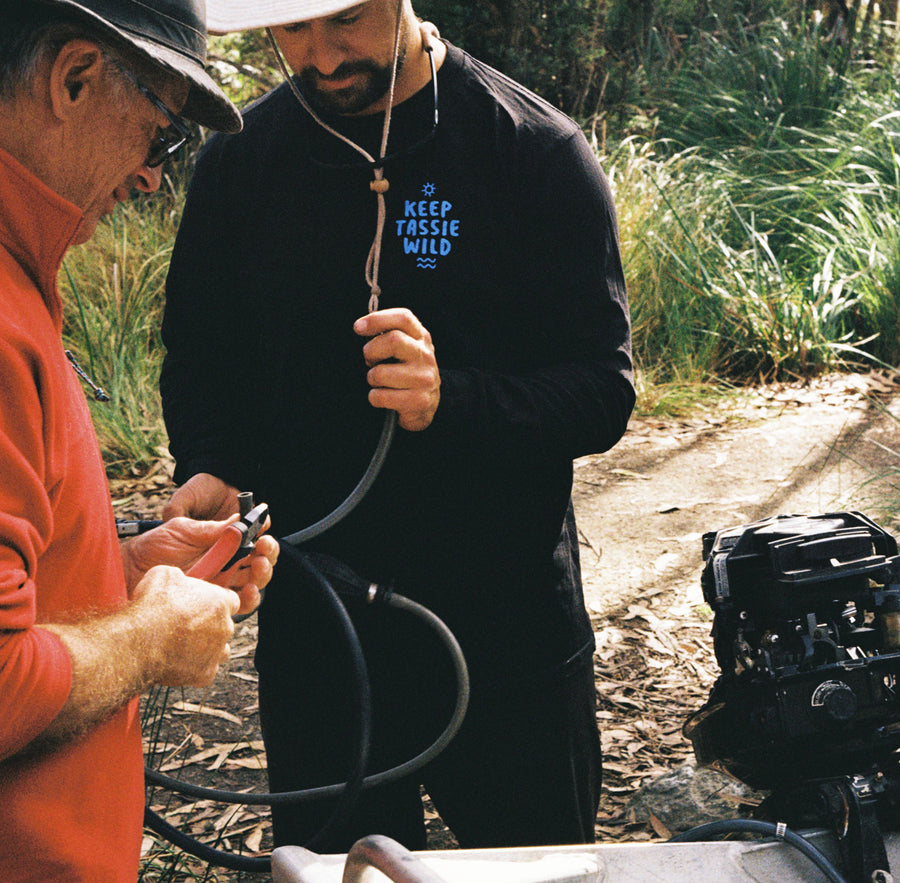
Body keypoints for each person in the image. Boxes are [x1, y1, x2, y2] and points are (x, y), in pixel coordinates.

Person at [161, 0, 634, 853]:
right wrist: (210, 463)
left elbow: (603, 390)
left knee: (538, 868)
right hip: (321, 633)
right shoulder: (241, 160)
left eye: (342, 20)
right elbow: (200, 358)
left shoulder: (531, 149)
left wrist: (453, 397)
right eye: (292, 30)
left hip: (506, 634)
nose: (321, 55)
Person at [0, 2, 279, 880]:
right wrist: (151, 637)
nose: (154, 178)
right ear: (74, 78)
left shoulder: (22, 270)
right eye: (160, 135)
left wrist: (118, 571)